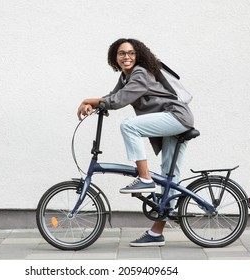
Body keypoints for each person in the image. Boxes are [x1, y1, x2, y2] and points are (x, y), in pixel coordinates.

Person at [77, 38, 194, 247]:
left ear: (137, 55)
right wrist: (92, 105)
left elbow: (119, 101)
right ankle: (156, 233)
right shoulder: (126, 76)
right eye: (122, 53)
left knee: (129, 125)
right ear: (115, 58)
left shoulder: (140, 73)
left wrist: (87, 99)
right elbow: (114, 96)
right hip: (172, 120)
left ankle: (145, 177)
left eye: (130, 53)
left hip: (176, 116)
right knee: (170, 177)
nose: (126, 57)